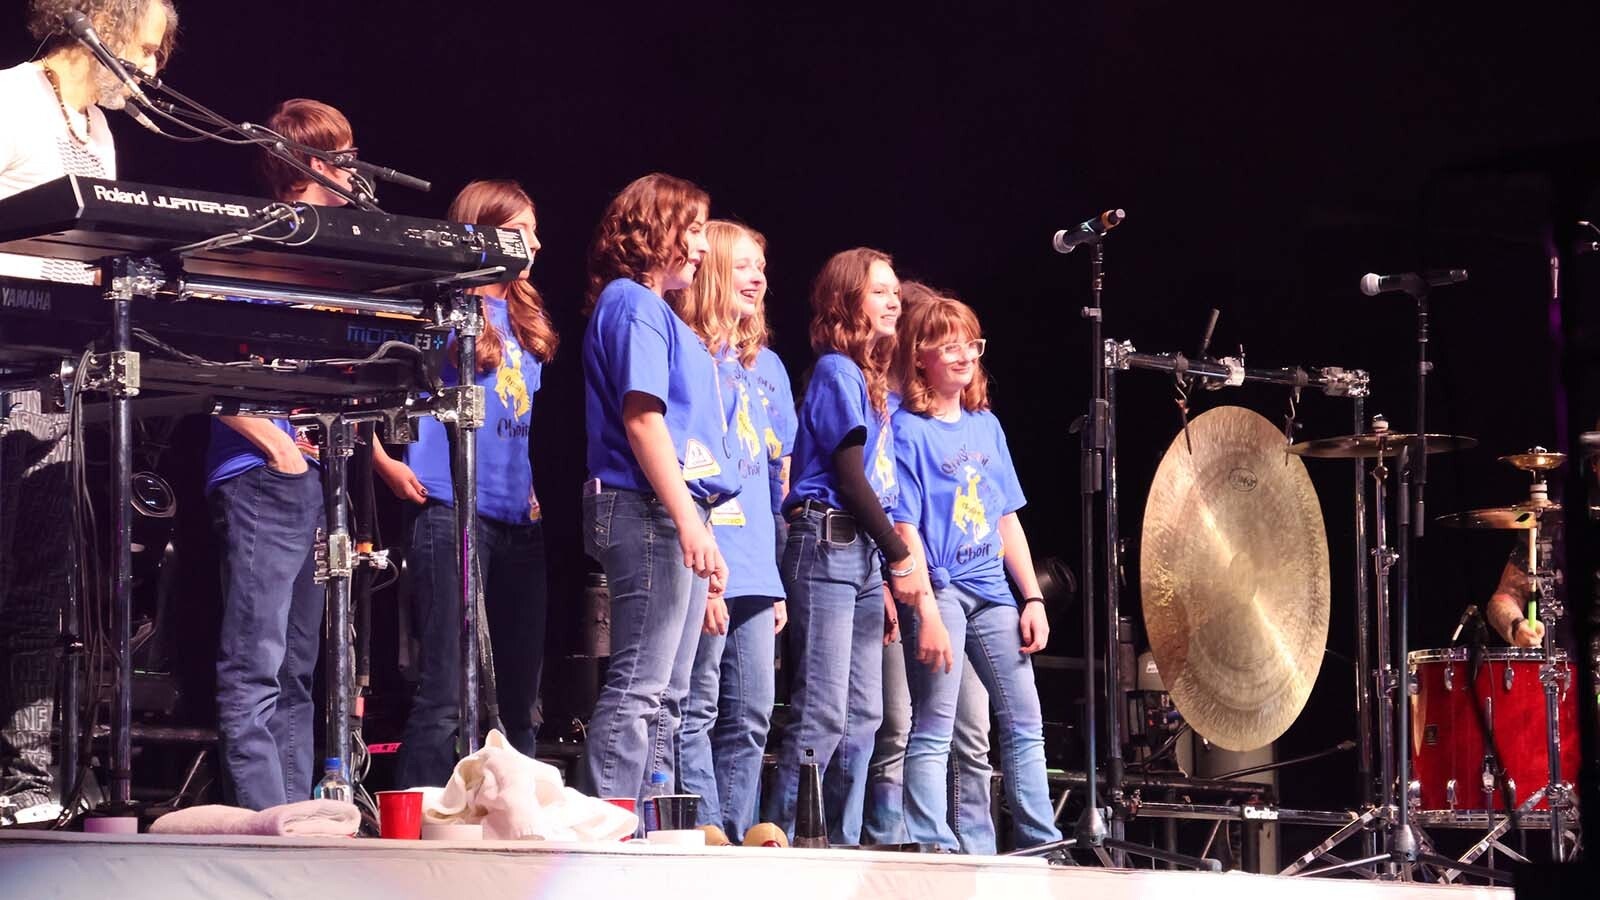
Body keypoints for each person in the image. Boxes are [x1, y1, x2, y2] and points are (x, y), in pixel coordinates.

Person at [0, 0, 177, 827]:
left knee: (42, 592)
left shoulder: (99, 134)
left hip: (57, 378)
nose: (150, 72)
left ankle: (27, 783)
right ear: (97, 29)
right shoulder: (8, 100)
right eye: (141, 52)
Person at [202, 99, 359, 810]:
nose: (354, 168)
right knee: (257, 665)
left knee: (299, 670)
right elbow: (198, 357)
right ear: (311, 163)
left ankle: (304, 826)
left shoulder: (328, 252)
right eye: (343, 155)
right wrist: (274, 445)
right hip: (263, 474)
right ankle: (265, 826)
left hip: (314, 478)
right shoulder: (256, 238)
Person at [377, 179, 556, 788]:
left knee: (518, 695)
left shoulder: (526, 319)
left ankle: (519, 823)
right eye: (521, 229)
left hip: (516, 519)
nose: (535, 241)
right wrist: (384, 461)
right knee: (449, 688)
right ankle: (413, 826)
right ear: (485, 231)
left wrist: (529, 485)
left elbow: (515, 417)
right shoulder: (440, 307)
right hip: (450, 504)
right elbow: (371, 385)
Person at [769, 248, 940, 844]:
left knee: (866, 714)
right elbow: (850, 477)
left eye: (895, 290)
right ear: (847, 302)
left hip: (861, 559)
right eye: (879, 291)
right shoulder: (837, 371)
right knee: (821, 710)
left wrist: (884, 567)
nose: (894, 300)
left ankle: (837, 843)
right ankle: (785, 839)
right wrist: (900, 555)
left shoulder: (871, 383)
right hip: (827, 544)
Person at [579, 173, 736, 804]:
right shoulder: (633, 303)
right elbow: (643, 420)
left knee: (670, 694)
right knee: (642, 685)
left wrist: (703, 525)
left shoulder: (658, 311)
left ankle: (652, 820)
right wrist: (687, 519)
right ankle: (613, 822)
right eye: (693, 229)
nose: (702, 246)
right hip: (646, 508)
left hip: (674, 508)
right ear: (655, 229)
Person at [888, 294, 1060, 851]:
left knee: (1024, 721)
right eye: (950, 345)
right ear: (920, 356)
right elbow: (905, 525)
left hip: (993, 593)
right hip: (941, 588)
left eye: (971, 345)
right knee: (936, 723)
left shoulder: (986, 427)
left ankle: (1039, 838)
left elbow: (1005, 516)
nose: (965, 356)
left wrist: (1031, 597)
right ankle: (932, 840)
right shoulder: (907, 430)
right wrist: (927, 610)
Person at [863, 282, 996, 852]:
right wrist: (890, 586)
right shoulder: (882, 409)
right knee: (897, 722)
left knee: (972, 724)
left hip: (946, 590)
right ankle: (896, 838)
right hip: (894, 583)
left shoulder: (949, 415)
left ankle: (974, 843)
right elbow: (882, 508)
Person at [673, 221, 792, 842]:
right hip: (707, 554)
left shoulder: (765, 366)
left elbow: (776, 476)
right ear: (713, 268)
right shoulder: (690, 354)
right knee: (696, 705)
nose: (758, 277)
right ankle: (704, 829)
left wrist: (772, 581)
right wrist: (709, 576)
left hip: (755, 560)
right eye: (744, 265)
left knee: (751, 713)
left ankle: (741, 833)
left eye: (761, 267)